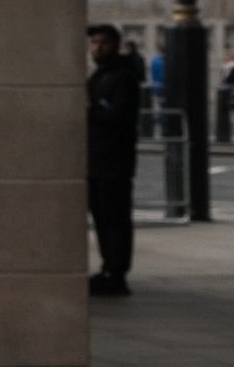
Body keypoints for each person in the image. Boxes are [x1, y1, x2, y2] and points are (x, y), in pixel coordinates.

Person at [87, 24, 139, 297]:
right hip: (96, 161)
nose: (97, 48)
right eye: (94, 43)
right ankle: (109, 268)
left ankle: (117, 273)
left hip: (114, 162)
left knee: (115, 220)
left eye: (103, 43)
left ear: (116, 45)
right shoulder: (98, 77)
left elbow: (118, 117)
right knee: (102, 220)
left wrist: (93, 111)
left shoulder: (123, 78)